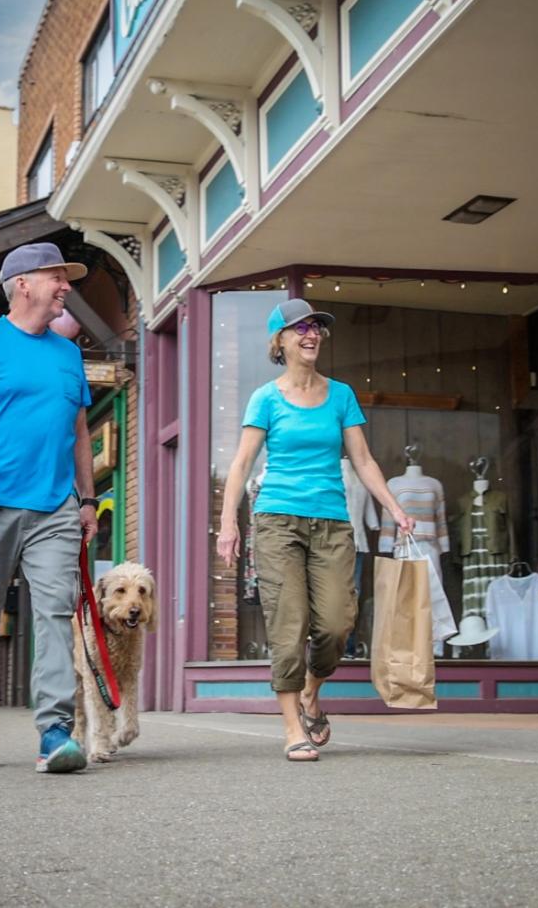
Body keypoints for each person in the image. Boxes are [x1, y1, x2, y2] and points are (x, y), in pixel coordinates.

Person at [217, 299, 415, 762]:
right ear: (280, 341)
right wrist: (228, 523)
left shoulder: (341, 394)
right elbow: (243, 462)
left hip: (331, 522)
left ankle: (311, 691)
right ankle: (291, 728)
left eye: (316, 328)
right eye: (300, 328)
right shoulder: (265, 398)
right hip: (277, 520)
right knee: (288, 627)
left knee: (336, 622)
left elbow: (362, 461)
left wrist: (395, 508)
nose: (311, 334)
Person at [0, 242, 98, 774]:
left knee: (55, 613)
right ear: (24, 283)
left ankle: (55, 732)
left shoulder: (68, 352)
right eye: (58, 277)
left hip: (55, 507)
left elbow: (79, 433)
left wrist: (88, 498)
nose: (67, 287)